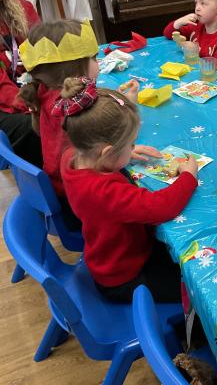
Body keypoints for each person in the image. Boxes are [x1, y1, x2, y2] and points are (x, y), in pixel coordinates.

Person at [58, 76, 198, 303]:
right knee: (194, 288)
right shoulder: (103, 191)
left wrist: (123, 153)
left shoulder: (72, 156)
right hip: (124, 277)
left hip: (114, 255)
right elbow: (161, 207)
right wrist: (189, 176)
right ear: (107, 152)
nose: (133, 147)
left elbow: (100, 161)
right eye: (130, 144)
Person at [0, 0, 42, 165]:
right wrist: (29, 105)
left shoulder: (22, 8)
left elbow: (43, 53)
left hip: (23, 91)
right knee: (34, 128)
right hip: (5, 102)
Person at [163, 0, 217, 74]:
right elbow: (168, 34)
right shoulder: (196, 26)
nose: (197, 8)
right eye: (196, 3)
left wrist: (196, 50)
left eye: (203, 3)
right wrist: (179, 22)